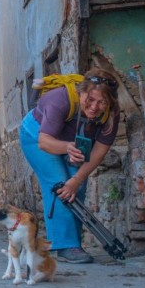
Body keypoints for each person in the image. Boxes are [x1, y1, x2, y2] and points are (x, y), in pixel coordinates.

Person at [20, 69, 120, 264]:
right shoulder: (60, 99)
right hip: (37, 137)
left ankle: (74, 244)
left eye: (102, 102)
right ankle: (65, 245)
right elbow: (44, 141)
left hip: (73, 141)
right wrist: (66, 147)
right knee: (59, 184)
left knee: (75, 186)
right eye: (90, 100)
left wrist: (76, 179)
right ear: (81, 92)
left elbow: (99, 150)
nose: (94, 107)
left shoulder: (111, 113)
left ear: (110, 102)